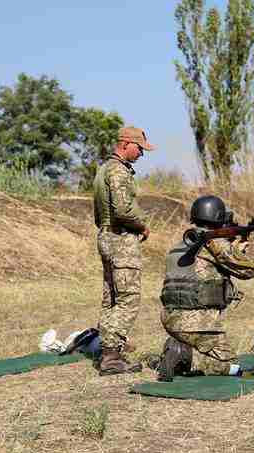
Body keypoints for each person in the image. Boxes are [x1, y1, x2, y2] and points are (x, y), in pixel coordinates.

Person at [156, 195, 254, 379]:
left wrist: (232, 250)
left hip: (170, 319)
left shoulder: (182, 244)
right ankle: (186, 356)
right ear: (219, 218)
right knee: (230, 365)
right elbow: (248, 271)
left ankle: (179, 347)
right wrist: (238, 252)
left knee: (203, 345)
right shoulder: (214, 243)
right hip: (198, 323)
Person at [92, 126, 155, 375]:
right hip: (120, 238)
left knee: (112, 298)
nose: (141, 154)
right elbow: (123, 208)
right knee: (128, 298)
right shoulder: (118, 171)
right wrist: (142, 224)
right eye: (139, 148)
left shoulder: (103, 169)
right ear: (126, 144)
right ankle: (111, 356)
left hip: (107, 235)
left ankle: (109, 347)